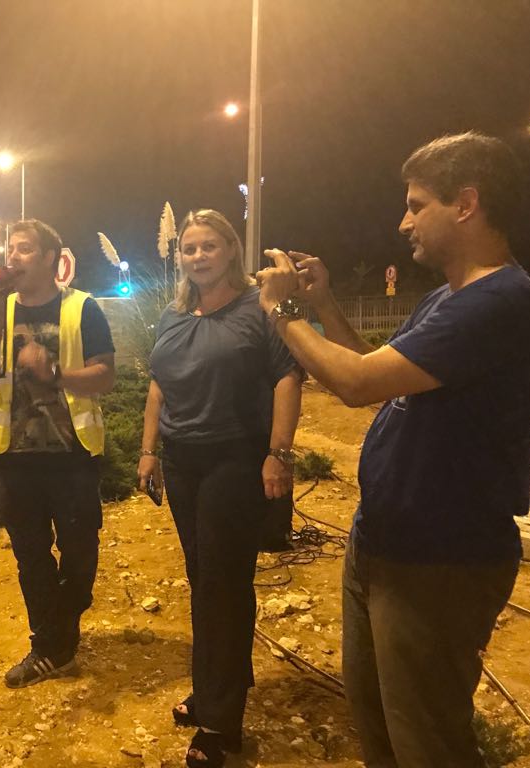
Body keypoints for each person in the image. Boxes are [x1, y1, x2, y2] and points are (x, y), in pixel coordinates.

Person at [255, 132, 530, 768]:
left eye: (416, 205)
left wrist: (282, 311)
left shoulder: (500, 303)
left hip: (438, 561)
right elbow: (377, 369)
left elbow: (356, 384)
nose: (403, 222)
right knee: (378, 726)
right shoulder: (449, 297)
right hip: (383, 543)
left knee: (428, 743)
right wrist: (323, 302)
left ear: (465, 204)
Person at [137, 209, 302, 767]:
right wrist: (149, 450)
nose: (198, 255)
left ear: (230, 249)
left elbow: (288, 377)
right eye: (189, 248)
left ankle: (219, 724)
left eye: (209, 245)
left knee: (221, 585)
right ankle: (219, 685)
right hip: (183, 460)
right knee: (205, 578)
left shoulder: (259, 308)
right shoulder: (173, 314)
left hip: (235, 458)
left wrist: (279, 453)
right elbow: (158, 385)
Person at [0, 219, 116, 689]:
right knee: (30, 557)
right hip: (14, 458)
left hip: (73, 456)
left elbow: (105, 376)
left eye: (25, 249)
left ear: (51, 257)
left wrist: (54, 372)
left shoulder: (81, 307)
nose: (13, 257)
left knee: (80, 554)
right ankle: (50, 647)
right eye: (10, 248)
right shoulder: (1, 309)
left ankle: (59, 630)